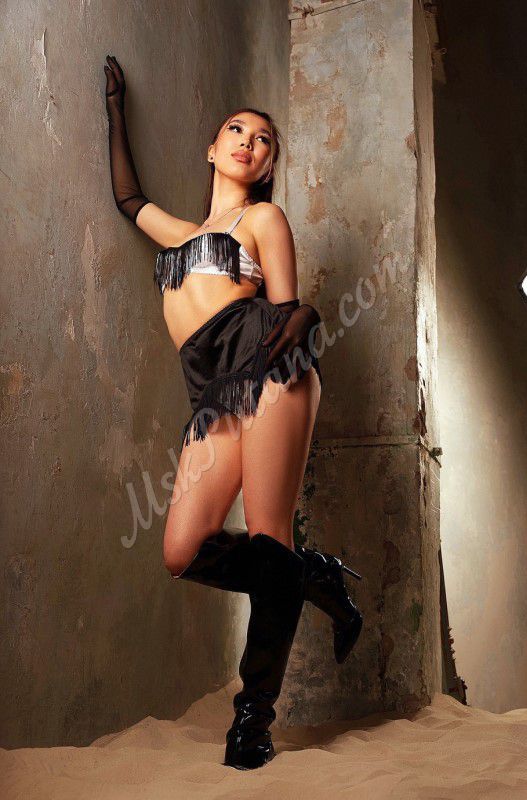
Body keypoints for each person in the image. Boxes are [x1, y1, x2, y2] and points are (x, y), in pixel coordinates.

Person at [104, 54, 363, 771]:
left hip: (269, 369)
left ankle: (252, 720)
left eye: (264, 139)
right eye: (237, 131)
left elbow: (286, 308)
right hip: (212, 395)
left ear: (269, 163)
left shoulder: (264, 217)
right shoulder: (180, 234)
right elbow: (127, 198)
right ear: (212, 148)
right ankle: (314, 575)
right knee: (182, 550)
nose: (250, 142)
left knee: (269, 533)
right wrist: (115, 109)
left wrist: (307, 316)